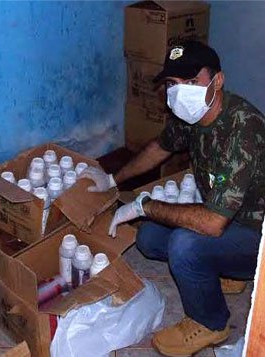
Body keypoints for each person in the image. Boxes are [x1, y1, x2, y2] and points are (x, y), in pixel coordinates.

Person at [84, 40, 264, 356]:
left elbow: (211, 223)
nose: (180, 92)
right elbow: (160, 147)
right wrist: (113, 178)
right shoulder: (192, 117)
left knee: (185, 244)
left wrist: (145, 205)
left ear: (217, 81)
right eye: (173, 83)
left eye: (192, 81)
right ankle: (226, 272)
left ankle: (210, 323)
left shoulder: (243, 129)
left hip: (258, 234)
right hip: (230, 217)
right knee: (151, 237)